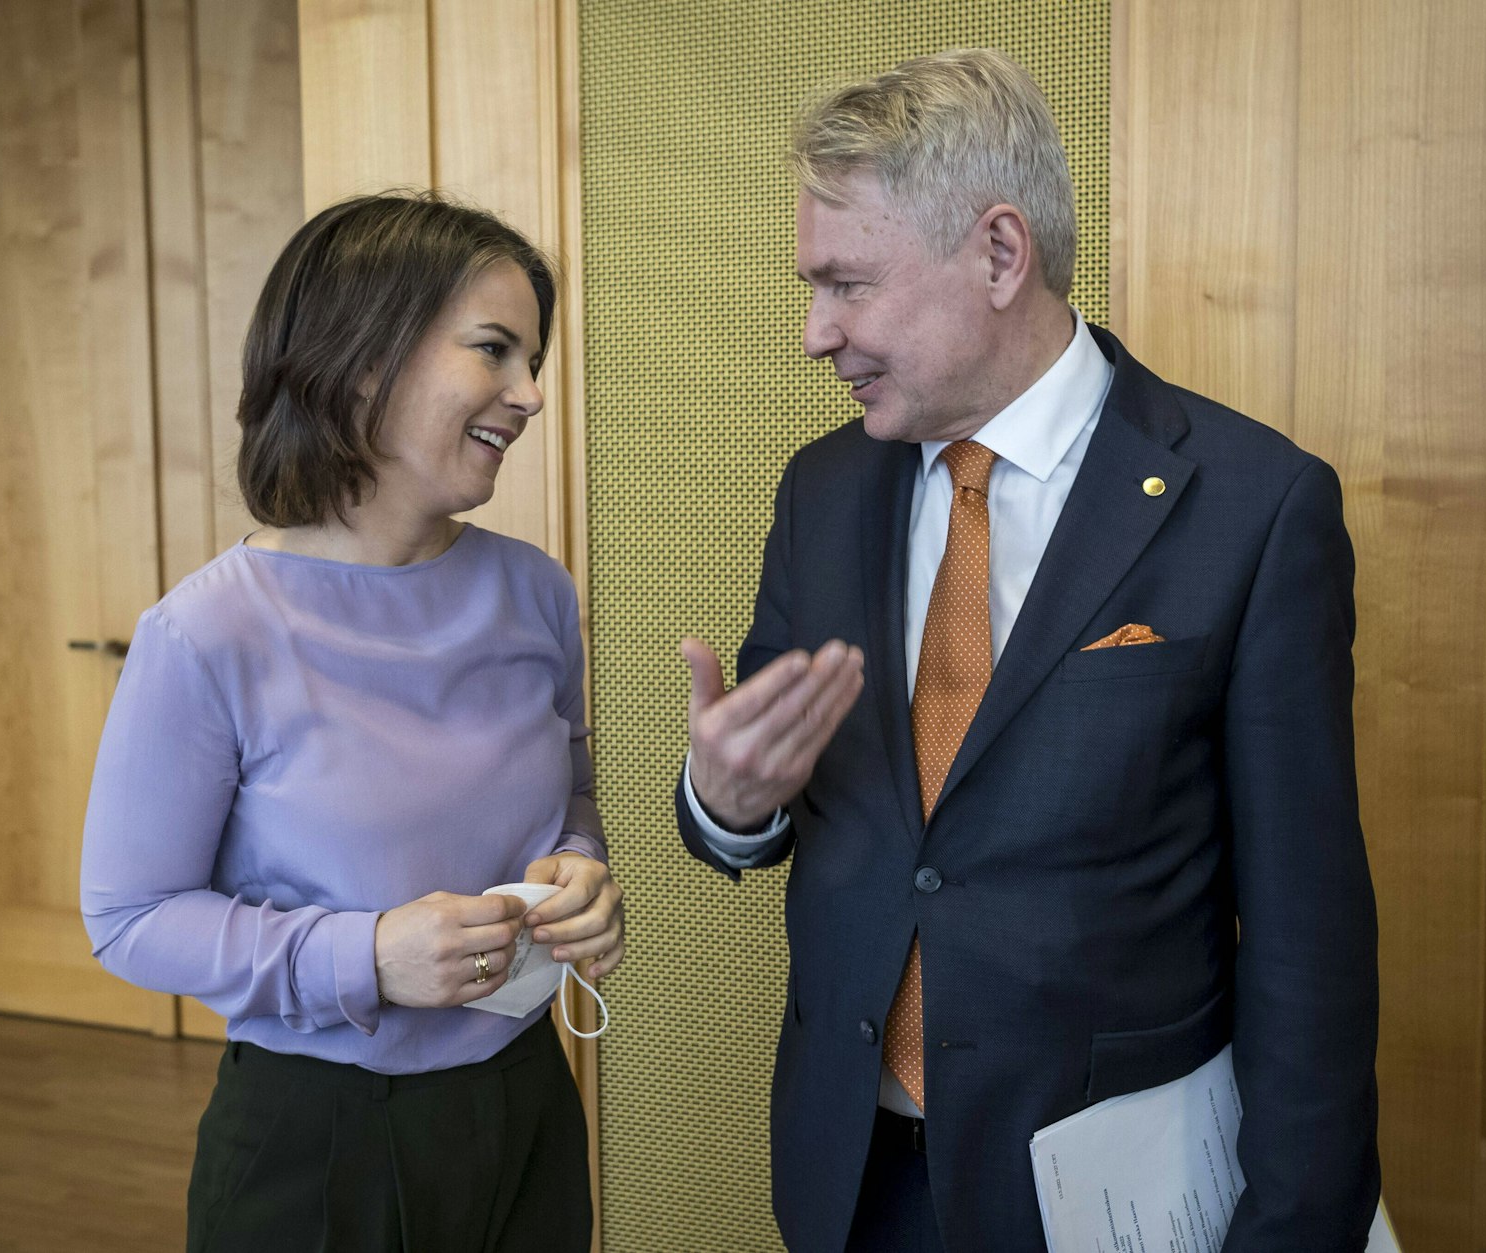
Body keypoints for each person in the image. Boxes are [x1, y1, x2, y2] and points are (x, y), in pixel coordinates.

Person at [675, 49, 1379, 1252]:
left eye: (846, 284)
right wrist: (727, 801)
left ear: (999, 254)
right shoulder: (821, 490)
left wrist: (1294, 1227)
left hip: (1105, 1200)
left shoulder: (1252, 506)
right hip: (852, 1181)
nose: (813, 333)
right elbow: (766, 799)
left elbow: (1307, 939)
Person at [81, 191, 622, 1253]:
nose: (530, 394)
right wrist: (364, 955)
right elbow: (130, 917)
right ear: (364, 357)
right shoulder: (206, 630)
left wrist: (579, 872)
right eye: (494, 350)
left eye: (532, 359)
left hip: (527, 1100)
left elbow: (569, 796)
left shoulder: (537, 592)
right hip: (315, 1138)